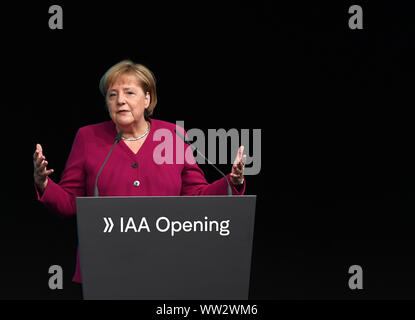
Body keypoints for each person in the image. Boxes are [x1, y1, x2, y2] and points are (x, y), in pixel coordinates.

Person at [33, 60, 246, 283]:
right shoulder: (87, 137)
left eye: (129, 92)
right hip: (105, 264)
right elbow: (69, 203)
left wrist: (232, 181)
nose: (120, 101)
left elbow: (196, 197)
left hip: (166, 263)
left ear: (147, 99)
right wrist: (44, 184)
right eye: (112, 95)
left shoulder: (172, 136)